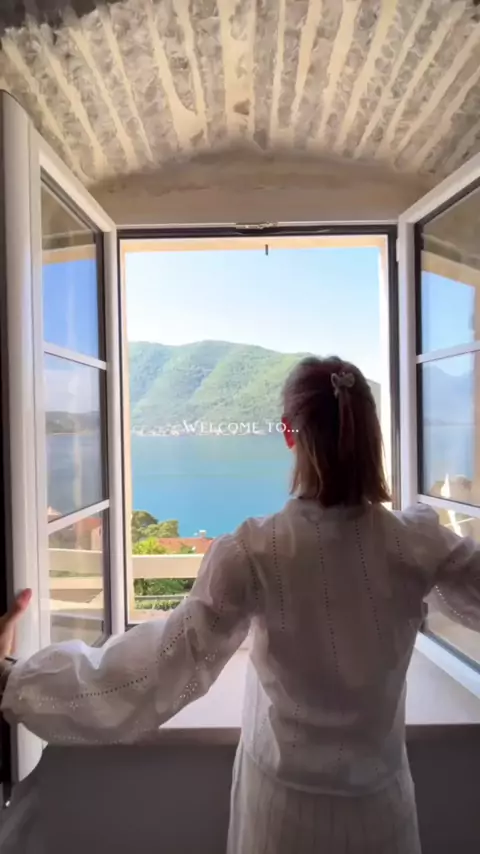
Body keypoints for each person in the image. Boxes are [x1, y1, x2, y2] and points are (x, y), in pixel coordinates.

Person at [1, 355, 480, 854]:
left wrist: (15, 679)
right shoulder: (414, 542)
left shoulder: (255, 552)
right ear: (369, 430)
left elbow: (157, 668)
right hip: (381, 816)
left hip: (282, 817)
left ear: (289, 434)